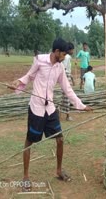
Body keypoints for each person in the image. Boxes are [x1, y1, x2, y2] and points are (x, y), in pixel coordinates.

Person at [9, 38, 92, 192]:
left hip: (50, 109)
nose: (65, 56)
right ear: (56, 52)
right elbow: (28, 76)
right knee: (29, 141)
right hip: (36, 108)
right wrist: (17, 82)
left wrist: (81, 105)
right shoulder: (39, 61)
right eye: (63, 54)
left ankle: (59, 170)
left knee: (60, 139)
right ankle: (26, 177)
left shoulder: (60, 68)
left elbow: (67, 89)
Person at [61, 42, 74, 121]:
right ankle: (68, 116)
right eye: (72, 50)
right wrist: (69, 78)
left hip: (65, 75)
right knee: (68, 96)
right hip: (66, 75)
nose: (73, 51)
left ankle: (60, 112)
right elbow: (65, 68)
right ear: (70, 50)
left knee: (64, 96)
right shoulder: (67, 57)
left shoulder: (65, 56)